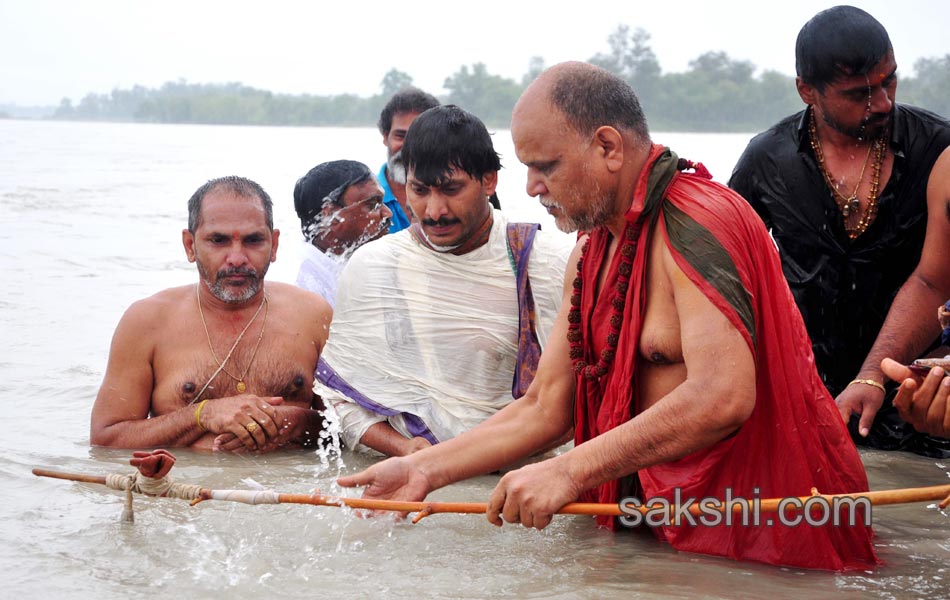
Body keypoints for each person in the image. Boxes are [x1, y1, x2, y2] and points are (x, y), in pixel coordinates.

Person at [338, 62, 877, 571]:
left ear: (607, 147)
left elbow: (723, 396)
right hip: (654, 529)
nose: (530, 188)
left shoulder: (702, 221)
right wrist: (422, 469)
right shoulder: (593, 249)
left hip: (765, 530)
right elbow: (547, 406)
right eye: (526, 168)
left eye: (545, 166)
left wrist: (569, 469)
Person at [728, 6, 950, 453]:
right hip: (804, 405)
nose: (883, 103)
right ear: (808, 91)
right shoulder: (767, 159)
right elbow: (725, 274)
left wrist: (872, 375)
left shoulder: (938, 149)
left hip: (921, 404)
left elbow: (934, 281)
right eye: (860, 94)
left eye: (889, 81)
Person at [316, 105, 573, 457]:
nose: (434, 211)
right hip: (411, 473)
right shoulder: (374, 267)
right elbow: (339, 398)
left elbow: (573, 402)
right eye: (420, 191)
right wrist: (406, 450)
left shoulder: (546, 262)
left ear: (489, 180)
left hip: (518, 475)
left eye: (451, 190)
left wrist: (451, 461)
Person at [90, 176, 332, 452]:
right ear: (190, 246)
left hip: (289, 489)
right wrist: (202, 415)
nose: (237, 258)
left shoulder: (314, 315)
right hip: (186, 489)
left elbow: (352, 428)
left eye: (254, 240)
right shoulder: (147, 321)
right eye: (218, 241)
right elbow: (106, 439)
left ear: (274, 245)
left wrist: (295, 421)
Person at [293, 160, 392, 305]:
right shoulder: (302, 288)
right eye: (373, 205)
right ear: (331, 215)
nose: (387, 213)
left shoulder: (364, 266)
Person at [377, 88, 441, 232]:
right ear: (385, 137)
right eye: (400, 136)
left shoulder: (453, 197)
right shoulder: (364, 200)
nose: (408, 148)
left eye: (419, 137)